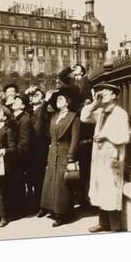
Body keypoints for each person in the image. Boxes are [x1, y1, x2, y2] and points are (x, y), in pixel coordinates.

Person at [81, 83, 130, 233]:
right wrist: (95, 103)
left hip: (112, 157)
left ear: (115, 95)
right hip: (99, 157)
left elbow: (124, 136)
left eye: (107, 92)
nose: (103, 94)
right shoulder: (101, 111)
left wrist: (106, 136)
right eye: (102, 92)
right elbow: (84, 117)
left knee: (111, 190)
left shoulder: (120, 113)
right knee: (99, 187)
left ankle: (115, 226)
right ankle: (103, 223)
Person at [39, 87, 81, 226]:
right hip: (52, 154)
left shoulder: (73, 117)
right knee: (51, 182)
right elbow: (41, 117)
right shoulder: (54, 116)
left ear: (68, 102)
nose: (58, 100)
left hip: (65, 152)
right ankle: (52, 209)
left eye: (61, 98)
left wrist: (71, 158)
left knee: (63, 184)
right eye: (57, 99)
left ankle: (63, 213)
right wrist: (45, 102)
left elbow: (75, 139)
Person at [59, 63, 94, 207]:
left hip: (84, 120)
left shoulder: (87, 81)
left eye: (78, 67)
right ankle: (75, 196)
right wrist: (70, 69)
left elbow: (89, 97)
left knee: (84, 164)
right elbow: (61, 76)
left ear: (83, 70)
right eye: (74, 69)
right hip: (74, 117)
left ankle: (84, 197)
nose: (76, 69)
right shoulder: (71, 82)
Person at [9, 93, 35, 218]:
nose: (14, 102)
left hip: (20, 158)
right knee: (14, 183)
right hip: (13, 155)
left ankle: (21, 210)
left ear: (23, 105)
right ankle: (16, 208)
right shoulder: (13, 117)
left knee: (20, 183)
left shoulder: (25, 119)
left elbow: (24, 143)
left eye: (17, 101)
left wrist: (14, 155)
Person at [25, 86, 51, 213]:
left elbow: (40, 124)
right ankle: (32, 203)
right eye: (32, 95)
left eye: (37, 95)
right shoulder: (28, 110)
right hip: (28, 149)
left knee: (39, 177)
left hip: (40, 148)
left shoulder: (44, 110)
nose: (33, 96)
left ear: (42, 99)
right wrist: (26, 93)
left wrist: (45, 101)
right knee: (30, 178)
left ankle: (41, 205)